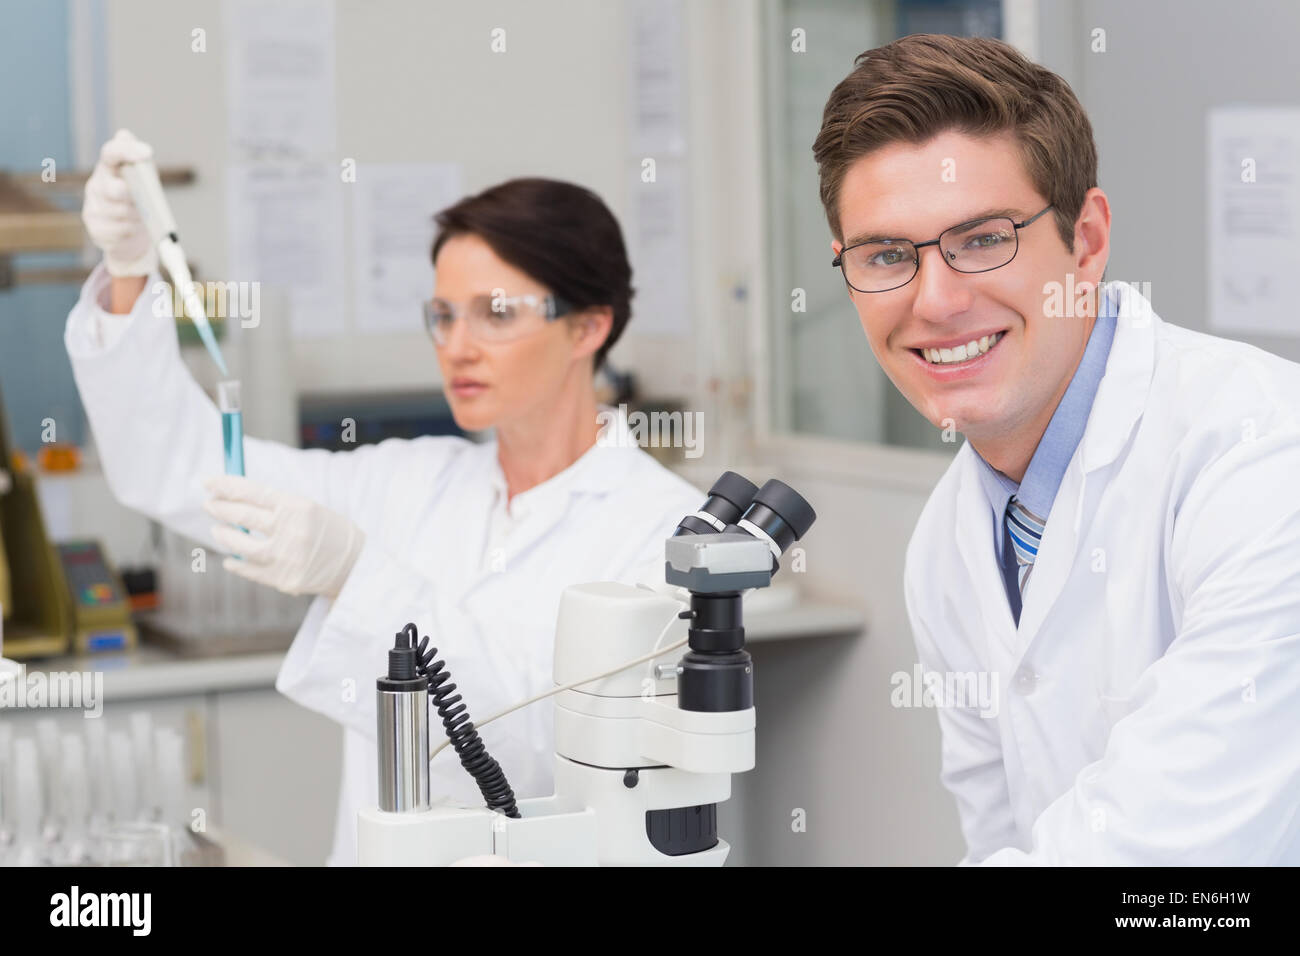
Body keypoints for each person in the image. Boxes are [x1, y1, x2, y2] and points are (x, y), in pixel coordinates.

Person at [68, 130, 703, 865]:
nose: (456, 346)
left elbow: (549, 753)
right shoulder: (407, 481)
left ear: (589, 325)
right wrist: (128, 275)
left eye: (496, 313)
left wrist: (358, 576)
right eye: (442, 315)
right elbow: (178, 467)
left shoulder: (665, 534)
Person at [814, 35, 1300, 864]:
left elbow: (1179, 855)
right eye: (887, 256)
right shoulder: (948, 543)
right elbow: (1004, 835)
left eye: (982, 239)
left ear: (1086, 241)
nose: (935, 302)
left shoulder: (1259, 457)